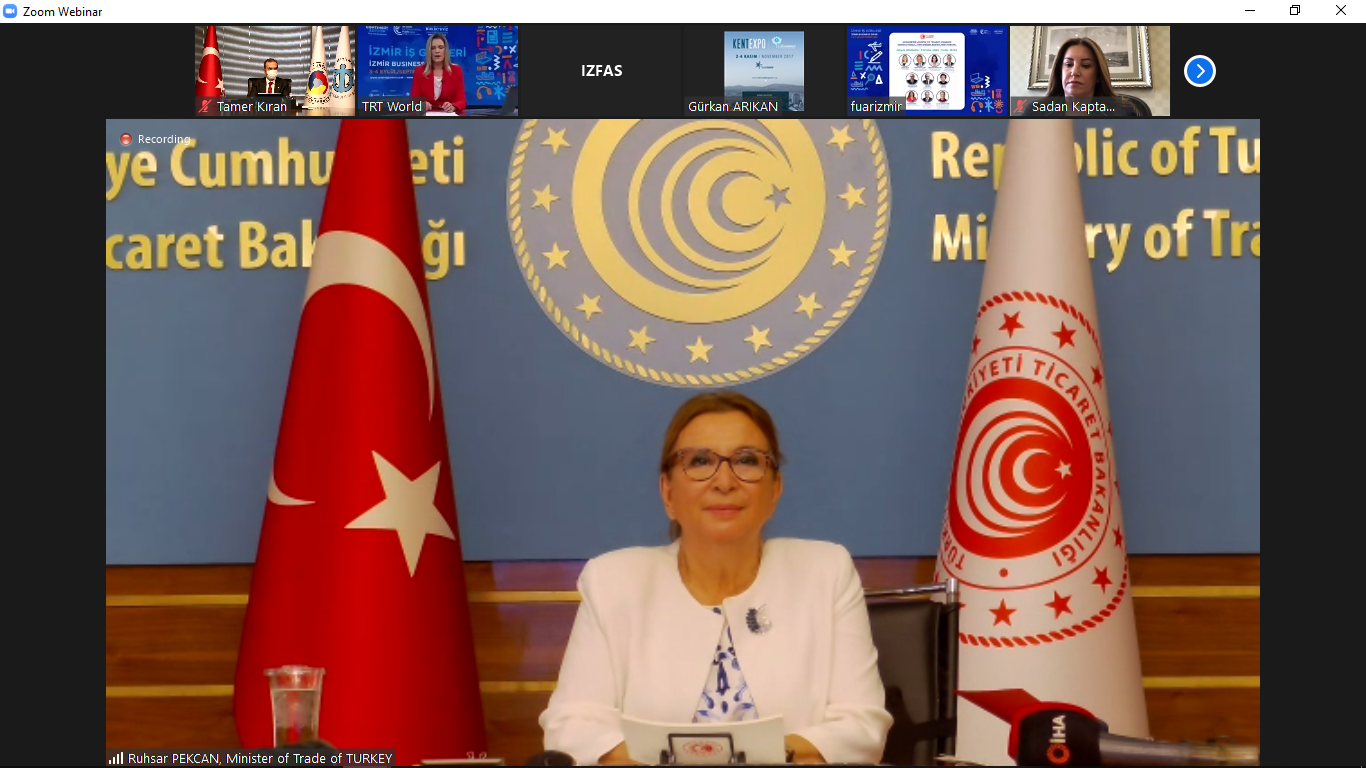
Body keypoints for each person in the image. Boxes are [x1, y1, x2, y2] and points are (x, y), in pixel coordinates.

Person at [540, 392, 892, 766]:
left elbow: (861, 729)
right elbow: (572, 730)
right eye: (700, 461)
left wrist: (742, 755)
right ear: (668, 493)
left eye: (747, 460)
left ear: (775, 490)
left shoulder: (826, 572)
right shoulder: (613, 581)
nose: (724, 481)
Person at [1041, 37, 1139, 115]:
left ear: (1098, 75)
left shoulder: (1123, 113)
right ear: (1059, 72)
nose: (1074, 72)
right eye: (1068, 64)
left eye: (1085, 65)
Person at [410, 32, 466, 114]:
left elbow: (462, 101)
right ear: (429, 51)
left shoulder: (456, 70)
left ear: (445, 50)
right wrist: (421, 105)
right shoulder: (419, 71)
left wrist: (453, 106)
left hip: (448, 116)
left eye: (440, 47)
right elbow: (413, 103)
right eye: (433, 48)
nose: (437, 51)